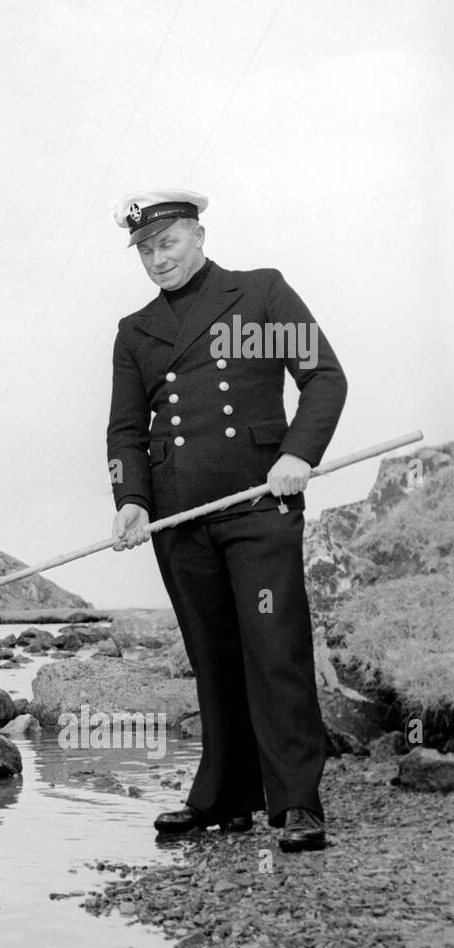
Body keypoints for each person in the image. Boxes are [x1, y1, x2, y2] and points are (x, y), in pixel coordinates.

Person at [106, 190, 347, 852]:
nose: (158, 259)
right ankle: (224, 797)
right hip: (180, 516)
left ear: (199, 234)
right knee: (212, 657)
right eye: (147, 250)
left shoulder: (260, 295)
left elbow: (324, 379)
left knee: (275, 651)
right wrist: (132, 500)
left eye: (169, 244)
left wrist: (298, 453)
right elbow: (127, 428)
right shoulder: (135, 331)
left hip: (258, 505)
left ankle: (297, 801)